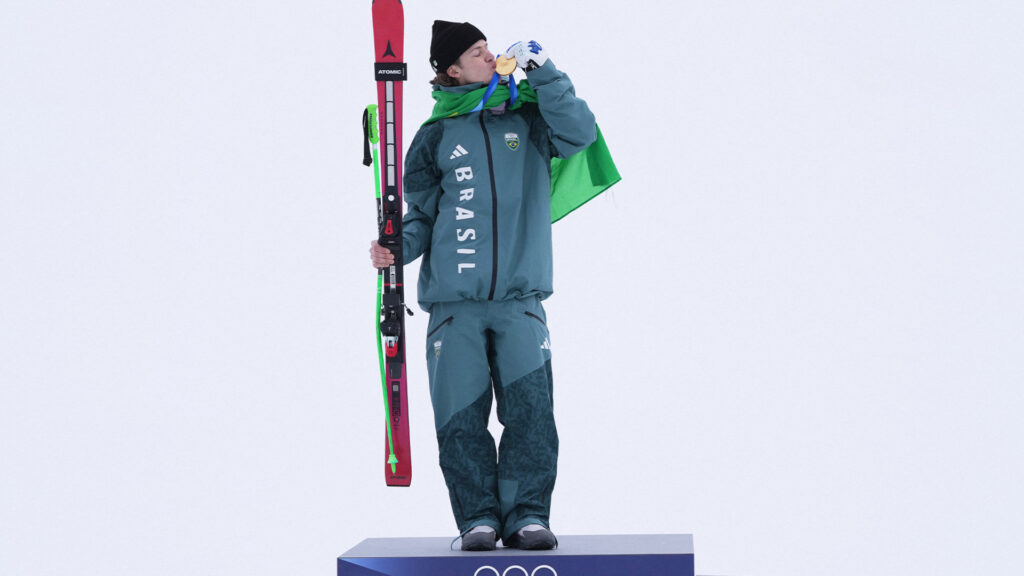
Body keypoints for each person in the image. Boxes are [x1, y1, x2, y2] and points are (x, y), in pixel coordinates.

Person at [369, 20, 599, 551]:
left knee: (531, 415)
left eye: (488, 47)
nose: (491, 55)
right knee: (460, 421)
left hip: (520, 302)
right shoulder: (434, 135)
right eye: (477, 51)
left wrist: (545, 71)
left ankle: (527, 517)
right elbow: (421, 216)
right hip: (455, 308)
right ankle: (477, 519)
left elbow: (580, 134)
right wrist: (396, 247)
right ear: (453, 70)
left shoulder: (530, 117)